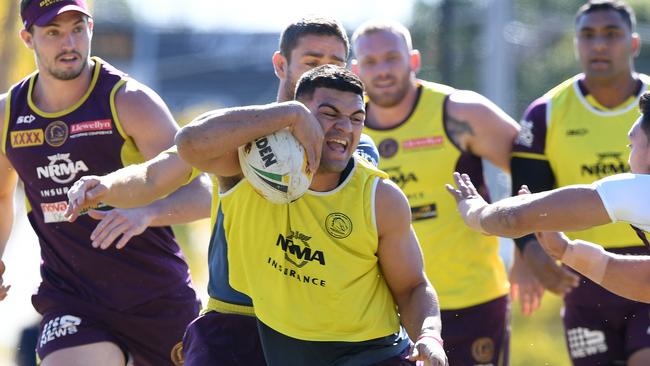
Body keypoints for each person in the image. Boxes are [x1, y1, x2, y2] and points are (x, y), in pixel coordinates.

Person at [64, 17, 380, 366]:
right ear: (281, 64)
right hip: (235, 319)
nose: (322, 74)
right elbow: (157, 173)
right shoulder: (236, 135)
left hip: (315, 329)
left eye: (333, 65)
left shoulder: (355, 149)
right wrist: (106, 186)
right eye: (311, 63)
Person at [175, 64, 447, 366]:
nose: (345, 127)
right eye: (329, 114)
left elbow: (412, 287)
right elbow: (189, 143)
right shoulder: (250, 168)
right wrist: (288, 113)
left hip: (370, 354)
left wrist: (429, 336)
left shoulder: (380, 197)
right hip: (286, 351)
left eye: (357, 118)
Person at [0, 1, 210, 365]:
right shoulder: (9, 114)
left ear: (91, 29)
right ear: (27, 38)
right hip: (71, 298)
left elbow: (204, 190)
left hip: (156, 297)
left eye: (77, 29)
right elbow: (2, 195)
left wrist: (147, 213)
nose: (69, 43)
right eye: (53, 32)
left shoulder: (129, 102)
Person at [351, 19, 542, 365]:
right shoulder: (345, 126)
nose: (381, 70)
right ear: (354, 69)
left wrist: (528, 248)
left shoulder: (460, 112)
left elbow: (532, 168)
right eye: (370, 62)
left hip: (471, 300)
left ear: (413, 60)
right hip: (384, 312)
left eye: (392, 58)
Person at [509, 1, 650, 364]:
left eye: (611, 34)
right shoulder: (546, 112)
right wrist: (530, 253)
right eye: (588, 35)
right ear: (576, 44)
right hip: (584, 274)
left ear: (633, 44)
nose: (599, 45)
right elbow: (526, 194)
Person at [446, 92, 650, 303]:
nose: (628, 158)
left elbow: (515, 218)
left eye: (631, 146)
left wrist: (474, 211)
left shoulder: (639, 190)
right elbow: (646, 283)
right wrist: (567, 251)